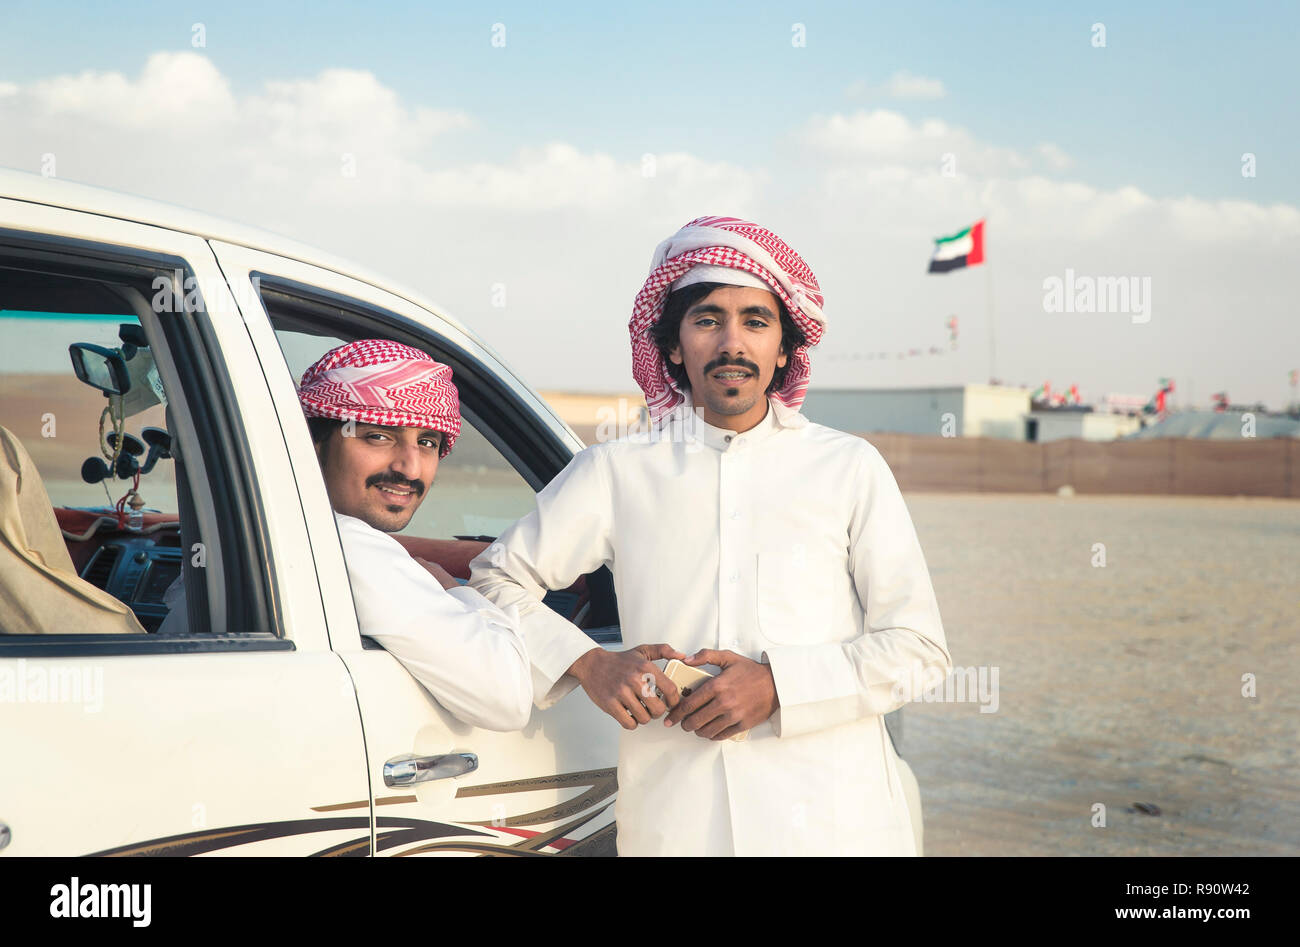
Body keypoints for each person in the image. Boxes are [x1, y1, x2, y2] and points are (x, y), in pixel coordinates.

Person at [469, 216, 952, 855]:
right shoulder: (617, 470)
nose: (732, 342)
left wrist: (779, 685)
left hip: (837, 824)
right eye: (706, 320)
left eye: (756, 321)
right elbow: (496, 579)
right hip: (679, 822)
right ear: (672, 346)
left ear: (785, 348)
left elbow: (918, 649)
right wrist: (590, 663)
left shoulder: (848, 468)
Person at [163, 339, 532, 731]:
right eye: (378, 436)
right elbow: (507, 699)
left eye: (427, 443)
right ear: (314, 441)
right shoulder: (347, 547)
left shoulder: (247, 528)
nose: (409, 468)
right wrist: (458, 593)